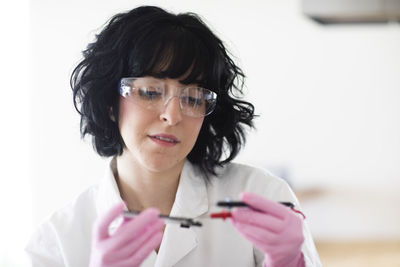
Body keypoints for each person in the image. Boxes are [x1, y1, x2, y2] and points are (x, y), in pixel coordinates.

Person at [26, 5, 321, 267]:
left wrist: (289, 264)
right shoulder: (56, 241)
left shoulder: (262, 196)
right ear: (110, 103)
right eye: (151, 92)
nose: (172, 115)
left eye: (193, 98)